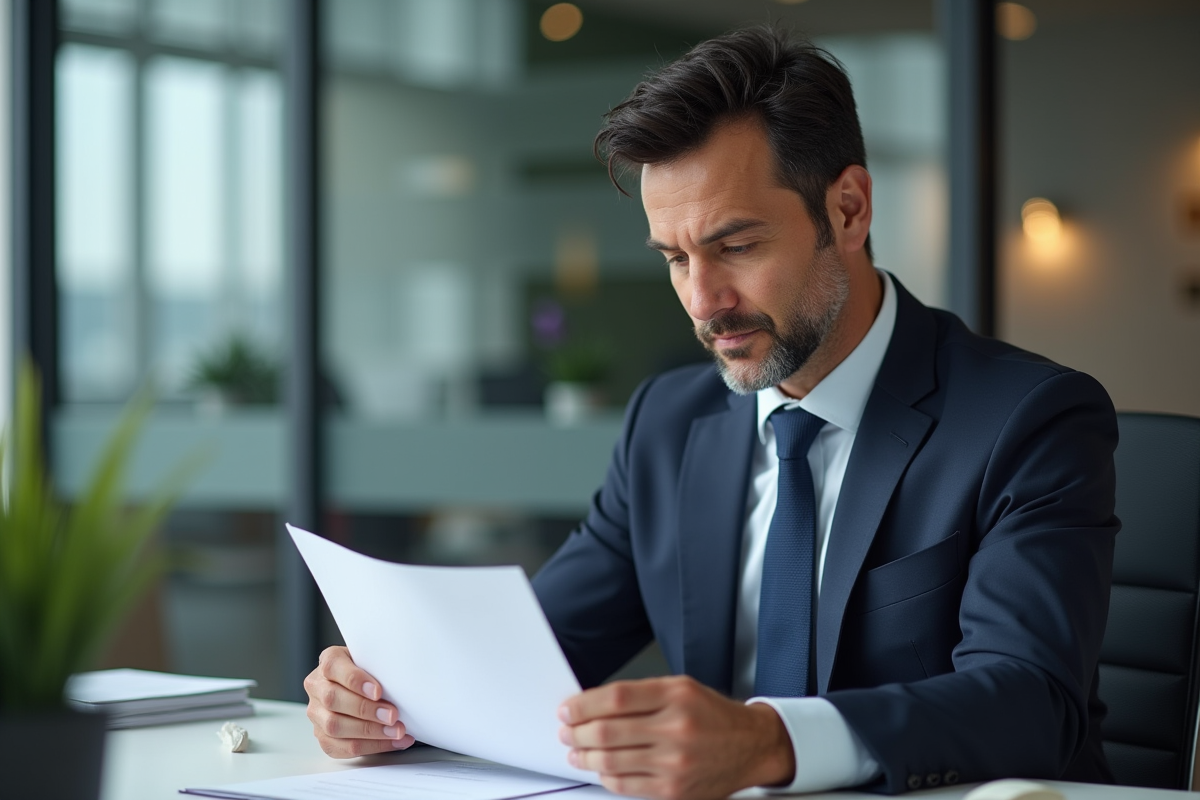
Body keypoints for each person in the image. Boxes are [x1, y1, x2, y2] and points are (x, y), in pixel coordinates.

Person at [303, 27, 1119, 798]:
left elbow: (1031, 701)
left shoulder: (1029, 420)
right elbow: (535, 657)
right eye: (675, 258)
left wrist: (770, 743)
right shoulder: (667, 422)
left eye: (736, 246)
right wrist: (385, 700)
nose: (704, 300)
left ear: (848, 210)